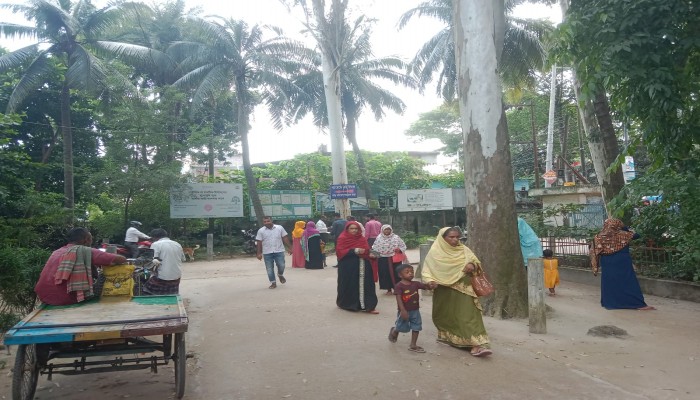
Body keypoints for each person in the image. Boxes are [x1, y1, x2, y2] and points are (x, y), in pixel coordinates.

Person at [422, 227, 492, 357]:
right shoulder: (435, 253)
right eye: (451, 237)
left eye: (457, 237)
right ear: (443, 238)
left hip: (464, 288)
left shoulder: (464, 250)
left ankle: (477, 344)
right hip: (443, 289)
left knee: (468, 315)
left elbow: (476, 263)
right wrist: (430, 281)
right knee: (445, 315)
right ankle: (447, 337)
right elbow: (427, 271)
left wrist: (472, 265)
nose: (455, 240)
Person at [35, 227, 127, 306]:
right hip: (64, 297)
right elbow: (121, 259)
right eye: (91, 238)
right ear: (86, 239)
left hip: (44, 296)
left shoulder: (57, 251)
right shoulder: (85, 250)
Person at [590, 218, 655, 310]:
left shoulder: (598, 237)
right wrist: (625, 228)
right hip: (622, 261)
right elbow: (637, 235)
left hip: (607, 262)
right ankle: (636, 304)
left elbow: (594, 251)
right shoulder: (624, 235)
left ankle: (609, 302)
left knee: (609, 282)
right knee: (628, 281)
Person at [388, 264, 436, 353]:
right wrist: (402, 310)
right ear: (400, 275)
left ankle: (413, 345)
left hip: (415, 310)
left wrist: (430, 285)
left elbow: (425, 286)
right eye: (407, 272)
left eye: (412, 272)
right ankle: (394, 330)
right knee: (401, 327)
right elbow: (398, 298)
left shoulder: (416, 284)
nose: (410, 274)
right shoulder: (399, 286)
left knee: (416, 326)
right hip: (404, 311)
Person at [335, 221, 379, 314]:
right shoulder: (342, 238)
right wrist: (354, 250)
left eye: (356, 228)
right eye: (352, 228)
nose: (354, 230)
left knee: (367, 284)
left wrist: (374, 255)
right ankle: (350, 304)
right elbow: (340, 252)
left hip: (363, 265)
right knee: (351, 284)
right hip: (349, 267)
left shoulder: (361, 238)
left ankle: (369, 306)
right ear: (347, 229)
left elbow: (367, 250)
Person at [144, 229, 186, 295]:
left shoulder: (156, 244)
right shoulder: (177, 244)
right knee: (171, 293)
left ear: (155, 237)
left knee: (146, 288)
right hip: (177, 277)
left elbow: (152, 260)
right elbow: (183, 259)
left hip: (163, 278)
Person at [256, 216, 292, 289]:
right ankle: (273, 282)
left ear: (271, 221)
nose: (266, 223)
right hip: (267, 252)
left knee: (281, 265)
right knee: (269, 268)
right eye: (265, 222)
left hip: (279, 250)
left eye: (268, 221)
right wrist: (258, 253)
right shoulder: (261, 231)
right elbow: (259, 242)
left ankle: (280, 274)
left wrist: (290, 247)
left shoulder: (279, 228)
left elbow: (285, 237)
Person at [371, 224, 407, 295]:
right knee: (385, 273)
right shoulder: (379, 238)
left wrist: (399, 250)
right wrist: (373, 256)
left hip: (394, 257)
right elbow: (374, 247)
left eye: (388, 229)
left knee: (397, 273)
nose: (387, 231)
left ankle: (398, 288)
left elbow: (403, 245)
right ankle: (389, 289)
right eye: (385, 229)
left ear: (391, 230)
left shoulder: (396, 237)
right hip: (382, 258)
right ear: (382, 230)